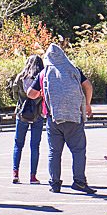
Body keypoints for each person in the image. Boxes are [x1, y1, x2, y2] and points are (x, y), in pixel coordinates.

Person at [27, 44, 95, 194]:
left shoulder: (44, 73)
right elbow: (88, 86)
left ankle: (55, 183)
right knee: (78, 151)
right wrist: (87, 104)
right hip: (74, 117)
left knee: (54, 152)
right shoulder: (74, 70)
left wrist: (43, 93)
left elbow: (30, 93)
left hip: (54, 118)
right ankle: (79, 182)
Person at [9, 55, 45, 185]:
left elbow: (14, 95)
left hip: (22, 113)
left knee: (18, 144)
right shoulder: (41, 78)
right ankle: (33, 176)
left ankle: (15, 173)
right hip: (38, 114)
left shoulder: (20, 77)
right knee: (35, 145)